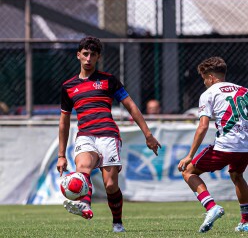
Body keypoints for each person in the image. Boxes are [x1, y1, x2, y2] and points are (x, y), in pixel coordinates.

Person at [56, 36, 161, 233]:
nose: (88, 58)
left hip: (108, 135)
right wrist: (61, 155)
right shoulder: (68, 87)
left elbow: (131, 106)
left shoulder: (108, 80)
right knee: (83, 168)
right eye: (85, 54)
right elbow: (64, 121)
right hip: (85, 135)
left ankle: (117, 223)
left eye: (93, 55)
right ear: (78, 55)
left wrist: (148, 134)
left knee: (111, 185)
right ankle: (85, 205)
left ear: (98, 57)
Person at [178, 57, 248, 233]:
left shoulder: (209, 93)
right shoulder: (244, 90)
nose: (204, 83)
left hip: (226, 145)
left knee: (188, 171)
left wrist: (190, 155)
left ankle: (211, 207)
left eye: (203, 79)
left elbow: (203, 126)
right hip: (245, 146)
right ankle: (246, 221)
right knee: (237, 175)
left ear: (210, 77)